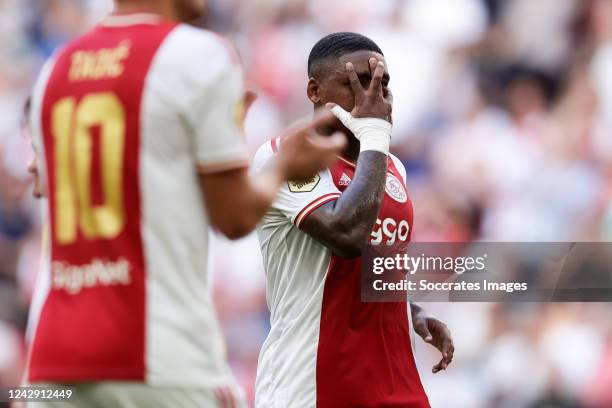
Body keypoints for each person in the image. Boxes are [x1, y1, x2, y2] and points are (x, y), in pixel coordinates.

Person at [26, 0, 345, 406]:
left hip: (52, 361)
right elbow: (234, 217)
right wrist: (283, 166)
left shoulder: (58, 66)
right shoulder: (197, 53)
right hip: (158, 355)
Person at [252, 32, 454, 407]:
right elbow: (346, 236)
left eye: (381, 84)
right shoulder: (285, 156)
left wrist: (413, 311)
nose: (371, 97)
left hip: (394, 382)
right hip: (314, 385)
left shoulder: (391, 169)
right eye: (355, 83)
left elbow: (376, 262)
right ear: (314, 90)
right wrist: (377, 135)